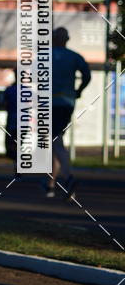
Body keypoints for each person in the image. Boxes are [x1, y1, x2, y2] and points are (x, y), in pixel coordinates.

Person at [46, 27, 91, 199]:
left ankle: (67, 177)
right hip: (67, 102)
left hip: (51, 103)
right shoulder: (74, 56)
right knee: (56, 141)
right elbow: (87, 75)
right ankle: (52, 184)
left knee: (55, 142)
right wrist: (78, 90)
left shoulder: (46, 55)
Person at [3, 72, 18, 176]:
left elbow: (4, 104)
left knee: (12, 144)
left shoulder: (9, 90)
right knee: (18, 144)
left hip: (12, 120)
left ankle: (17, 165)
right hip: (24, 122)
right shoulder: (28, 90)